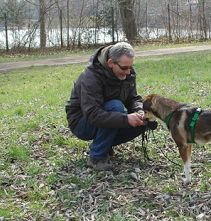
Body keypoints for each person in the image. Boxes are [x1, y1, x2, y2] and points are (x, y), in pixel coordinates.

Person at [65, 42, 154, 171]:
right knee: (115, 106)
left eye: (131, 67)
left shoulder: (127, 72)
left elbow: (133, 98)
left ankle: (105, 144)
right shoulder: (90, 77)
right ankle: (96, 157)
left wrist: (140, 112)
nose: (128, 72)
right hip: (81, 123)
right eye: (124, 68)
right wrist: (126, 119)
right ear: (111, 63)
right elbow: (92, 115)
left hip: (106, 115)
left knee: (143, 123)